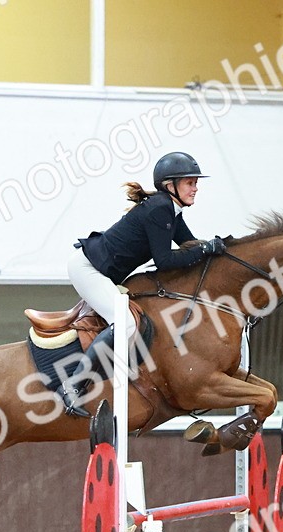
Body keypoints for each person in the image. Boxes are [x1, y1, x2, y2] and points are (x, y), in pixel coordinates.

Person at [61, 152, 226, 409]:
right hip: (87, 269)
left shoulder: (171, 210)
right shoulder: (160, 209)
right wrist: (206, 249)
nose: (195, 188)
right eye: (190, 183)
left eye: (196, 183)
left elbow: (188, 246)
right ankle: (73, 386)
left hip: (101, 270)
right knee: (124, 322)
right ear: (170, 185)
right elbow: (165, 261)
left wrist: (218, 251)